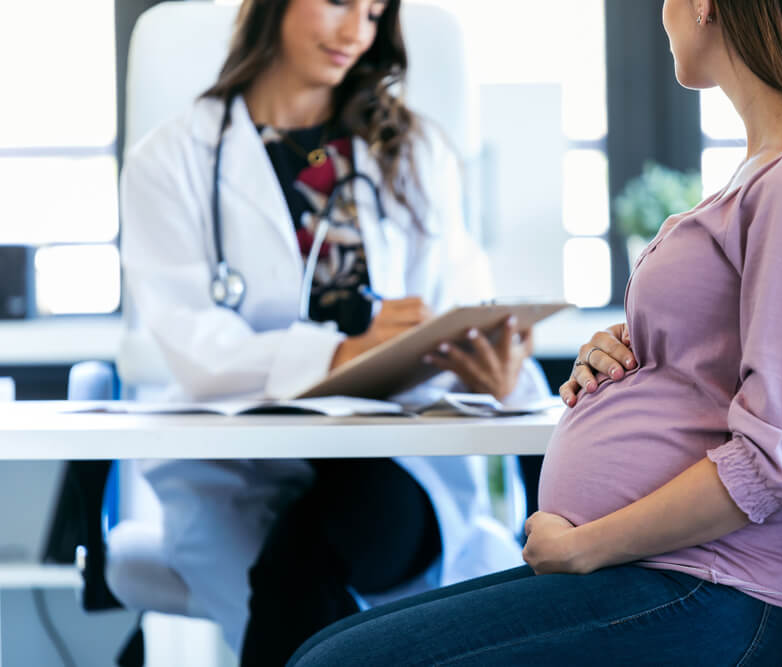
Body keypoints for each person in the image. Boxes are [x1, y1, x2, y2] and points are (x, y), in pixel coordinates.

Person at [285, 0, 782, 664]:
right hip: (670, 570)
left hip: (720, 590)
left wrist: (585, 545)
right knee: (325, 648)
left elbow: (772, 463)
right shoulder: (772, 173)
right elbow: (722, 362)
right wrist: (630, 356)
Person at [117, 0, 548, 664]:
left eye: (375, 13)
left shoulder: (412, 150)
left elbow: (457, 298)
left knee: (303, 556)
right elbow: (197, 346)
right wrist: (346, 351)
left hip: (394, 470)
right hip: (241, 470)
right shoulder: (171, 160)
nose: (357, 32)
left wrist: (496, 370)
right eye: (341, 2)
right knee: (299, 570)